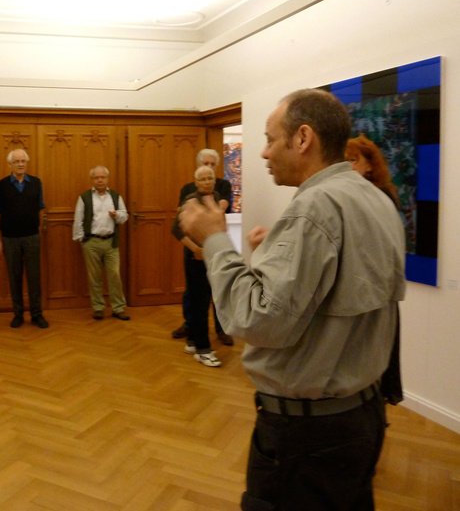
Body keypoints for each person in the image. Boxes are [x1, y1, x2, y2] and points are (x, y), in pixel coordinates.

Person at [179, 88, 405, 510]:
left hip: (308, 437)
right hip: (363, 419)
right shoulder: (375, 199)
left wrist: (214, 240)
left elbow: (257, 319)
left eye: (270, 139)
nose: (263, 152)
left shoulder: (315, 208)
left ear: (303, 138)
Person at [346, 134, 404, 405]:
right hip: (360, 294)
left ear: (369, 165)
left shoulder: (380, 199)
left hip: (373, 296)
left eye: (353, 161)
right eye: (343, 161)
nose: (348, 167)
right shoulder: (352, 197)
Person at [172, 148, 234, 345]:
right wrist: (196, 248)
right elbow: (180, 218)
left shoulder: (222, 185)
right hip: (194, 248)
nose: (209, 168)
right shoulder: (187, 189)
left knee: (219, 289)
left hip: (215, 245)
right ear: (198, 166)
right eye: (205, 164)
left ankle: (222, 328)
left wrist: (206, 209)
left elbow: (222, 206)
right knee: (193, 291)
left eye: (212, 165)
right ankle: (191, 326)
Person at [0, 148, 48, 329]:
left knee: (34, 277)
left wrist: (37, 231)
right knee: (14, 277)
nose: (20, 164)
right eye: (16, 161)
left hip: (32, 237)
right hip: (10, 239)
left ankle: (37, 314)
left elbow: (41, 209)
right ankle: (18, 314)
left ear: (27, 163)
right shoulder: (1, 185)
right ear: (10, 164)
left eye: (23, 161)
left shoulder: (36, 183)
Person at [72, 165, 130, 321]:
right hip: (91, 242)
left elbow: (124, 216)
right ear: (92, 180)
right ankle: (98, 308)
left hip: (111, 242)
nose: (100, 180)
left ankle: (118, 308)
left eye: (102, 177)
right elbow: (78, 219)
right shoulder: (84, 197)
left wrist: (116, 215)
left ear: (107, 179)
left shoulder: (115, 196)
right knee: (94, 277)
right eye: (96, 177)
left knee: (114, 275)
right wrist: (82, 240)